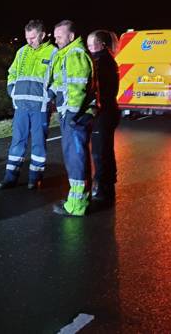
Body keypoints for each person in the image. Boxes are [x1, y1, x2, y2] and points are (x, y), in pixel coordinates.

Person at [0, 20, 58, 190]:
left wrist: (49, 96)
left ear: (43, 35)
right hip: (21, 106)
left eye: (32, 37)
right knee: (17, 142)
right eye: (27, 37)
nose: (29, 41)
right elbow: (12, 73)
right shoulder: (22, 52)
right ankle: (10, 178)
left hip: (40, 107)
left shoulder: (54, 53)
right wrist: (11, 90)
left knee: (38, 143)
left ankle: (35, 178)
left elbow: (59, 79)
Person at [50, 20, 94, 217]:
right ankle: (80, 199)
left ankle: (76, 206)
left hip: (74, 117)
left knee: (75, 158)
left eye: (59, 36)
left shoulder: (75, 55)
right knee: (77, 157)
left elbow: (77, 88)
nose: (56, 39)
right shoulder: (67, 54)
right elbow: (61, 82)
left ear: (71, 36)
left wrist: (70, 115)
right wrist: (50, 94)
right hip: (72, 115)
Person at [86, 30, 121, 204]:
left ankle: (102, 190)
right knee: (106, 150)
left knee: (100, 153)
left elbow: (97, 90)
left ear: (102, 45)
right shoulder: (107, 60)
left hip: (104, 113)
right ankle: (108, 186)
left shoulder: (101, 62)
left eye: (92, 45)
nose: (90, 49)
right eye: (88, 45)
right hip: (109, 111)